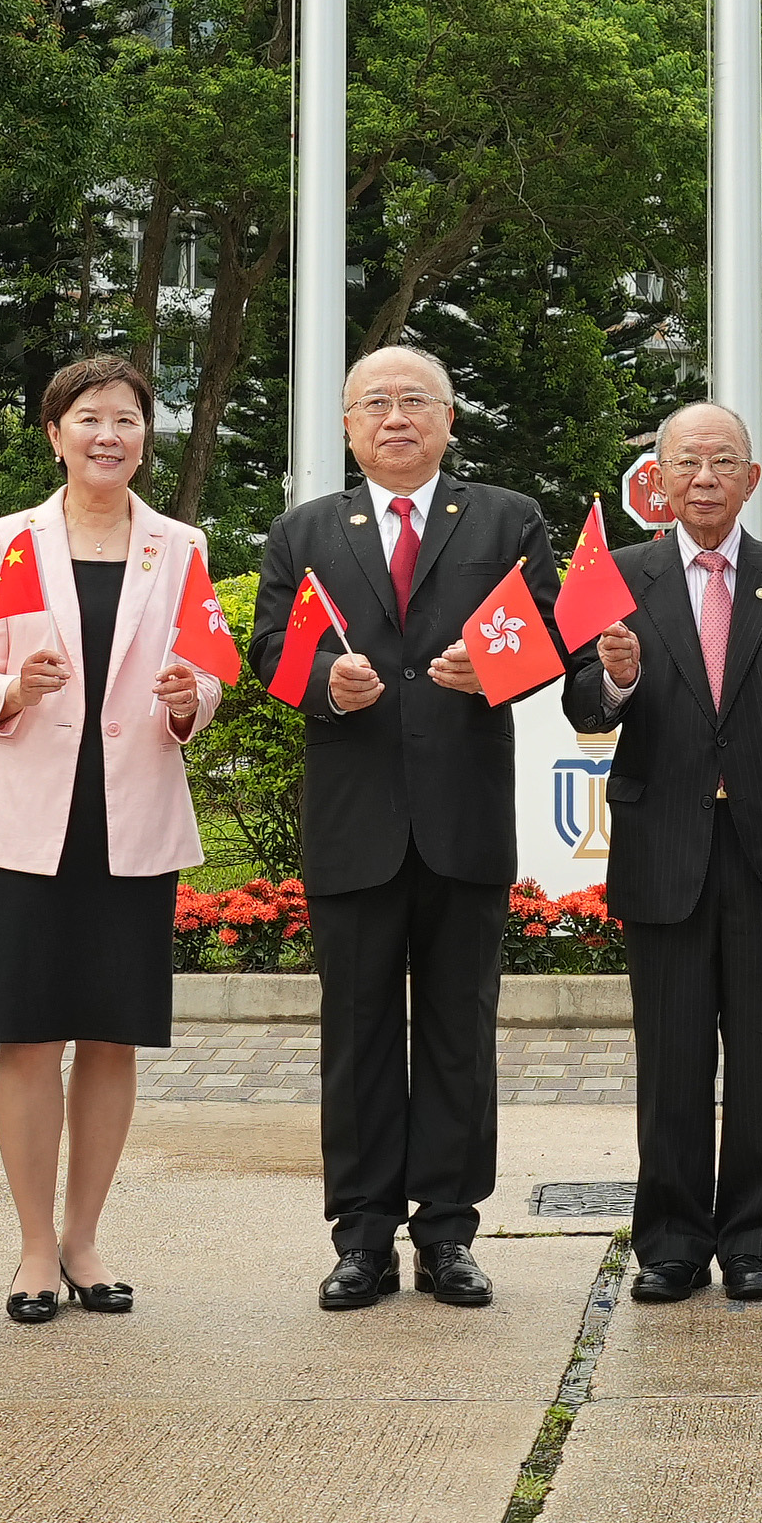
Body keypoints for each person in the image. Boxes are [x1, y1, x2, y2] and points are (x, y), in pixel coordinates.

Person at [248, 344, 558, 1312]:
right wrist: (321, 687)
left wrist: (496, 672)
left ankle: (451, 1233)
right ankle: (364, 1235)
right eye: (373, 403)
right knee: (359, 1032)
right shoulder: (307, 533)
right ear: (347, 425)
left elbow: (548, 638)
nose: (395, 417)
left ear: (449, 418)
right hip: (354, 824)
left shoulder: (507, 519)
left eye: (415, 400)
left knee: (461, 1033)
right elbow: (267, 649)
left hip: (464, 823)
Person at [560, 401, 762, 1305]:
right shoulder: (618, 579)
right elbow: (581, 703)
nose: (703, 479)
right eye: (686, 465)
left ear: (751, 480)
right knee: (673, 1057)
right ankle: (670, 1241)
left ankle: (755, 1242)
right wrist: (614, 677)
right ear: (654, 480)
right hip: (665, 846)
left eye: (723, 463)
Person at [0, 355, 220, 1324]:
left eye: (127, 420)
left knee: (112, 1036)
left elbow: (207, 669)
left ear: (148, 436)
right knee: (27, 1034)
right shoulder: (7, 540)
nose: (109, 435)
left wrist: (195, 702)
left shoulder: (179, 545)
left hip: (132, 816)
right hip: (29, 822)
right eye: (89, 418)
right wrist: (10, 693)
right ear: (54, 432)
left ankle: (84, 1240)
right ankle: (30, 1249)